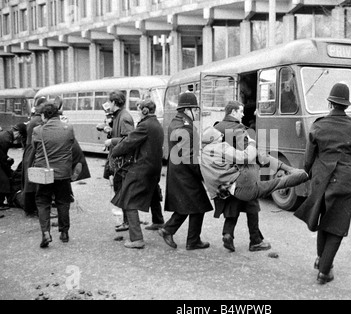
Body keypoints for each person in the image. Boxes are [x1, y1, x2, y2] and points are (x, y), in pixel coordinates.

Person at [294, 83, 351, 285]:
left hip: (320, 179)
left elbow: (308, 159)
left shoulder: (318, 125)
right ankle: (324, 271)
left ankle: (320, 259)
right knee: (337, 225)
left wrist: (307, 173)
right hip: (344, 180)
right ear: (346, 105)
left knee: (324, 219)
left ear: (330, 102)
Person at [213, 101, 272, 253]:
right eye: (241, 111)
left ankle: (228, 234)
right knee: (252, 206)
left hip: (224, 175)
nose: (243, 114)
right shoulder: (240, 130)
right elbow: (247, 155)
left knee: (233, 203)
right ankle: (255, 241)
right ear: (232, 112)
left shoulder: (216, 128)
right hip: (243, 175)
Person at [158, 92, 213, 250]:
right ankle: (185, 237)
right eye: (195, 110)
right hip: (186, 173)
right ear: (187, 109)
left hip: (178, 172)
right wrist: (203, 174)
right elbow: (189, 157)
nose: (196, 113)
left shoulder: (175, 122)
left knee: (191, 204)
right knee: (198, 204)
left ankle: (180, 234)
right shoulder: (186, 128)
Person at [110, 99, 164, 249]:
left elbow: (129, 142)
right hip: (154, 167)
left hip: (143, 167)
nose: (138, 112)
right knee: (152, 192)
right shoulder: (156, 124)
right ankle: (158, 221)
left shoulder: (145, 125)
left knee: (128, 199)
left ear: (145, 110)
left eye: (139, 109)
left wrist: (115, 151)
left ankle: (136, 238)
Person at [200, 126, 308, 202]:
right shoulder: (219, 146)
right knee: (256, 155)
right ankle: (296, 171)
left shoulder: (203, 154)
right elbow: (245, 157)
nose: (221, 137)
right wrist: (251, 143)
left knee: (276, 184)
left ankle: (303, 175)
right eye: (219, 136)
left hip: (238, 192)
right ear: (213, 139)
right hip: (244, 180)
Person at [32, 102, 77, 248]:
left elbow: (34, 148)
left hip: (45, 173)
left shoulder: (38, 130)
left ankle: (45, 233)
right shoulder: (68, 128)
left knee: (43, 202)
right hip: (63, 172)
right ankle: (64, 233)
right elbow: (71, 146)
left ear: (45, 115)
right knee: (63, 202)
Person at [101, 91, 135, 233]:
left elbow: (129, 139)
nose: (108, 104)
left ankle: (128, 222)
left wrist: (111, 141)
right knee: (120, 190)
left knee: (122, 192)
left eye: (109, 101)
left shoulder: (124, 117)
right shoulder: (119, 116)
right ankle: (127, 221)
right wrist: (109, 131)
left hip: (123, 163)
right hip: (119, 161)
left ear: (114, 102)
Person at [21, 97, 47, 217]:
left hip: (29, 150)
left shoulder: (34, 119)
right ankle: (33, 208)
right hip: (33, 150)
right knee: (34, 179)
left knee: (29, 179)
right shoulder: (38, 121)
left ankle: (29, 207)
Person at [0, 123, 27, 211]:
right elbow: (2, 159)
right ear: (18, 133)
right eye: (21, 136)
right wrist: (8, 170)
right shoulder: (6, 139)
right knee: (4, 180)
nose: (20, 139)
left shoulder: (7, 135)